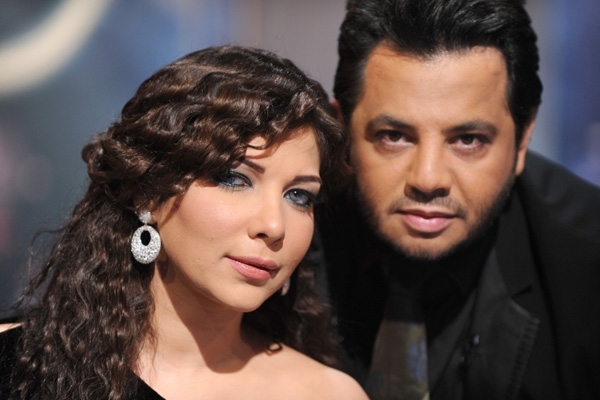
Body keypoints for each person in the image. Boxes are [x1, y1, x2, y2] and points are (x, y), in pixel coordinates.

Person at [0, 45, 368, 400]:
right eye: (234, 179)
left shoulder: (329, 395)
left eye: (299, 196)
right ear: (148, 191)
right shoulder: (16, 364)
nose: (274, 226)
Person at [315, 0, 600, 399]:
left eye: (468, 140)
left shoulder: (587, 269)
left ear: (522, 140)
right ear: (342, 129)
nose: (428, 178)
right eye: (394, 136)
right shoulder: (283, 237)